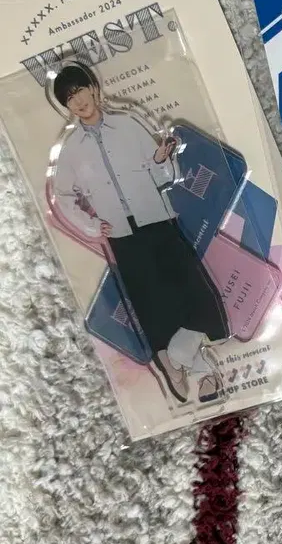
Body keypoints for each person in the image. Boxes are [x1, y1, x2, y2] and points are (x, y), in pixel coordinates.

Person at [49, 61, 227, 402]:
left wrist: (160, 159)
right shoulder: (71, 150)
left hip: (156, 219)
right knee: (152, 303)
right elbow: (63, 197)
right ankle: (196, 372)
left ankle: (174, 357)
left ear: (94, 89)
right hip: (121, 236)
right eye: (69, 98)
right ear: (66, 106)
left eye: (80, 90)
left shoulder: (128, 124)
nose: (78, 101)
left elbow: (164, 176)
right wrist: (91, 225)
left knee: (193, 291)